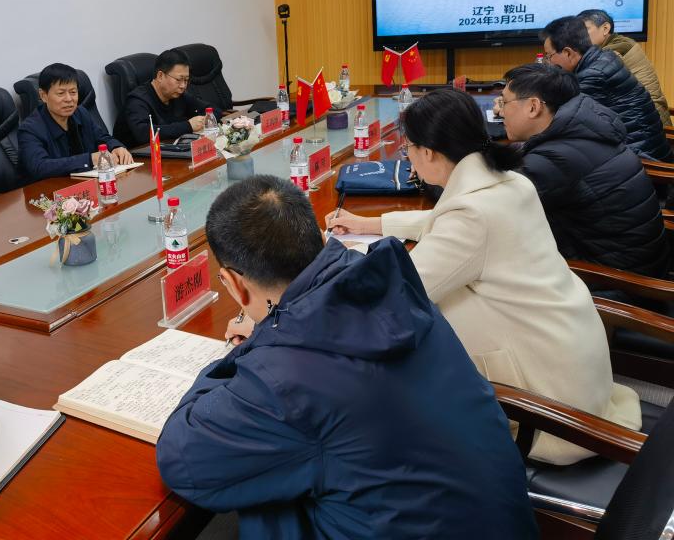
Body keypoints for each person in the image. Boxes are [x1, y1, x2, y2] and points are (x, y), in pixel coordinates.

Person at [156, 175, 537, 539]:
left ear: (233, 283)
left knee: (265, 488)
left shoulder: (285, 379)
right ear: (318, 239)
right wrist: (270, 332)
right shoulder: (387, 284)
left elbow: (184, 462)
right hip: (500, 520)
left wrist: (245, 352)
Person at [328, 88, 641, 465]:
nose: (407, 157)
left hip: (546, 407)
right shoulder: (509, 183)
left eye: (408, 148)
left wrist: (335, 259)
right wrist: (372, 224)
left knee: (382, 363)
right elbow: (446, 222)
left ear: (429, 151)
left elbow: (398, 289)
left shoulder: (471, 214)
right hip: (574, 364)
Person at [501, 63, 668, 277]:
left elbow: (493, 204)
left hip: (615, 282)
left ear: (533, 107)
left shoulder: (556, 159)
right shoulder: (586, 126)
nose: (500, 111)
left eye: (504, 102)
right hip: (638, 262)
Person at [540, 15, 672, 161]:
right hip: (644, 146)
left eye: (549, 56)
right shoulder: (603, 58)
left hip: (643, 157)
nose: (548, 62)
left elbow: (563, 119)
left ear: (568, 53)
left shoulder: (594, 75)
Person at [18, 63, 133, 180]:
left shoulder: (81, 113)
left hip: (85, 184)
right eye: (61, 93)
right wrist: (89, 160)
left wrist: (116, 147)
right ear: (43, 95)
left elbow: (102, 137)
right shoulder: (30, 129)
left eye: (73, 92)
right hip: (51, 189)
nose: (69, 99)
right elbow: (39, 167)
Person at [578, 8, 671, 127]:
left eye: (585, 30)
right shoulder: (622, 42)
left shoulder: (616, 51)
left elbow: (588, 85)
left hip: (647, 119)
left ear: (605, 28)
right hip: (643, 114)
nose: (579, 37)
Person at [116, 48, 207, 146]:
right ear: (160, 76)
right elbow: (143, 134)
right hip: (137, 153)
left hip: (169, 148)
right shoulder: (137, 101)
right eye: (179, 79)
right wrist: (188, 126)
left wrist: (204, 120)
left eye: (186, 80)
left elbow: (211, 110)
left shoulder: (178, 94)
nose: (183, 86)